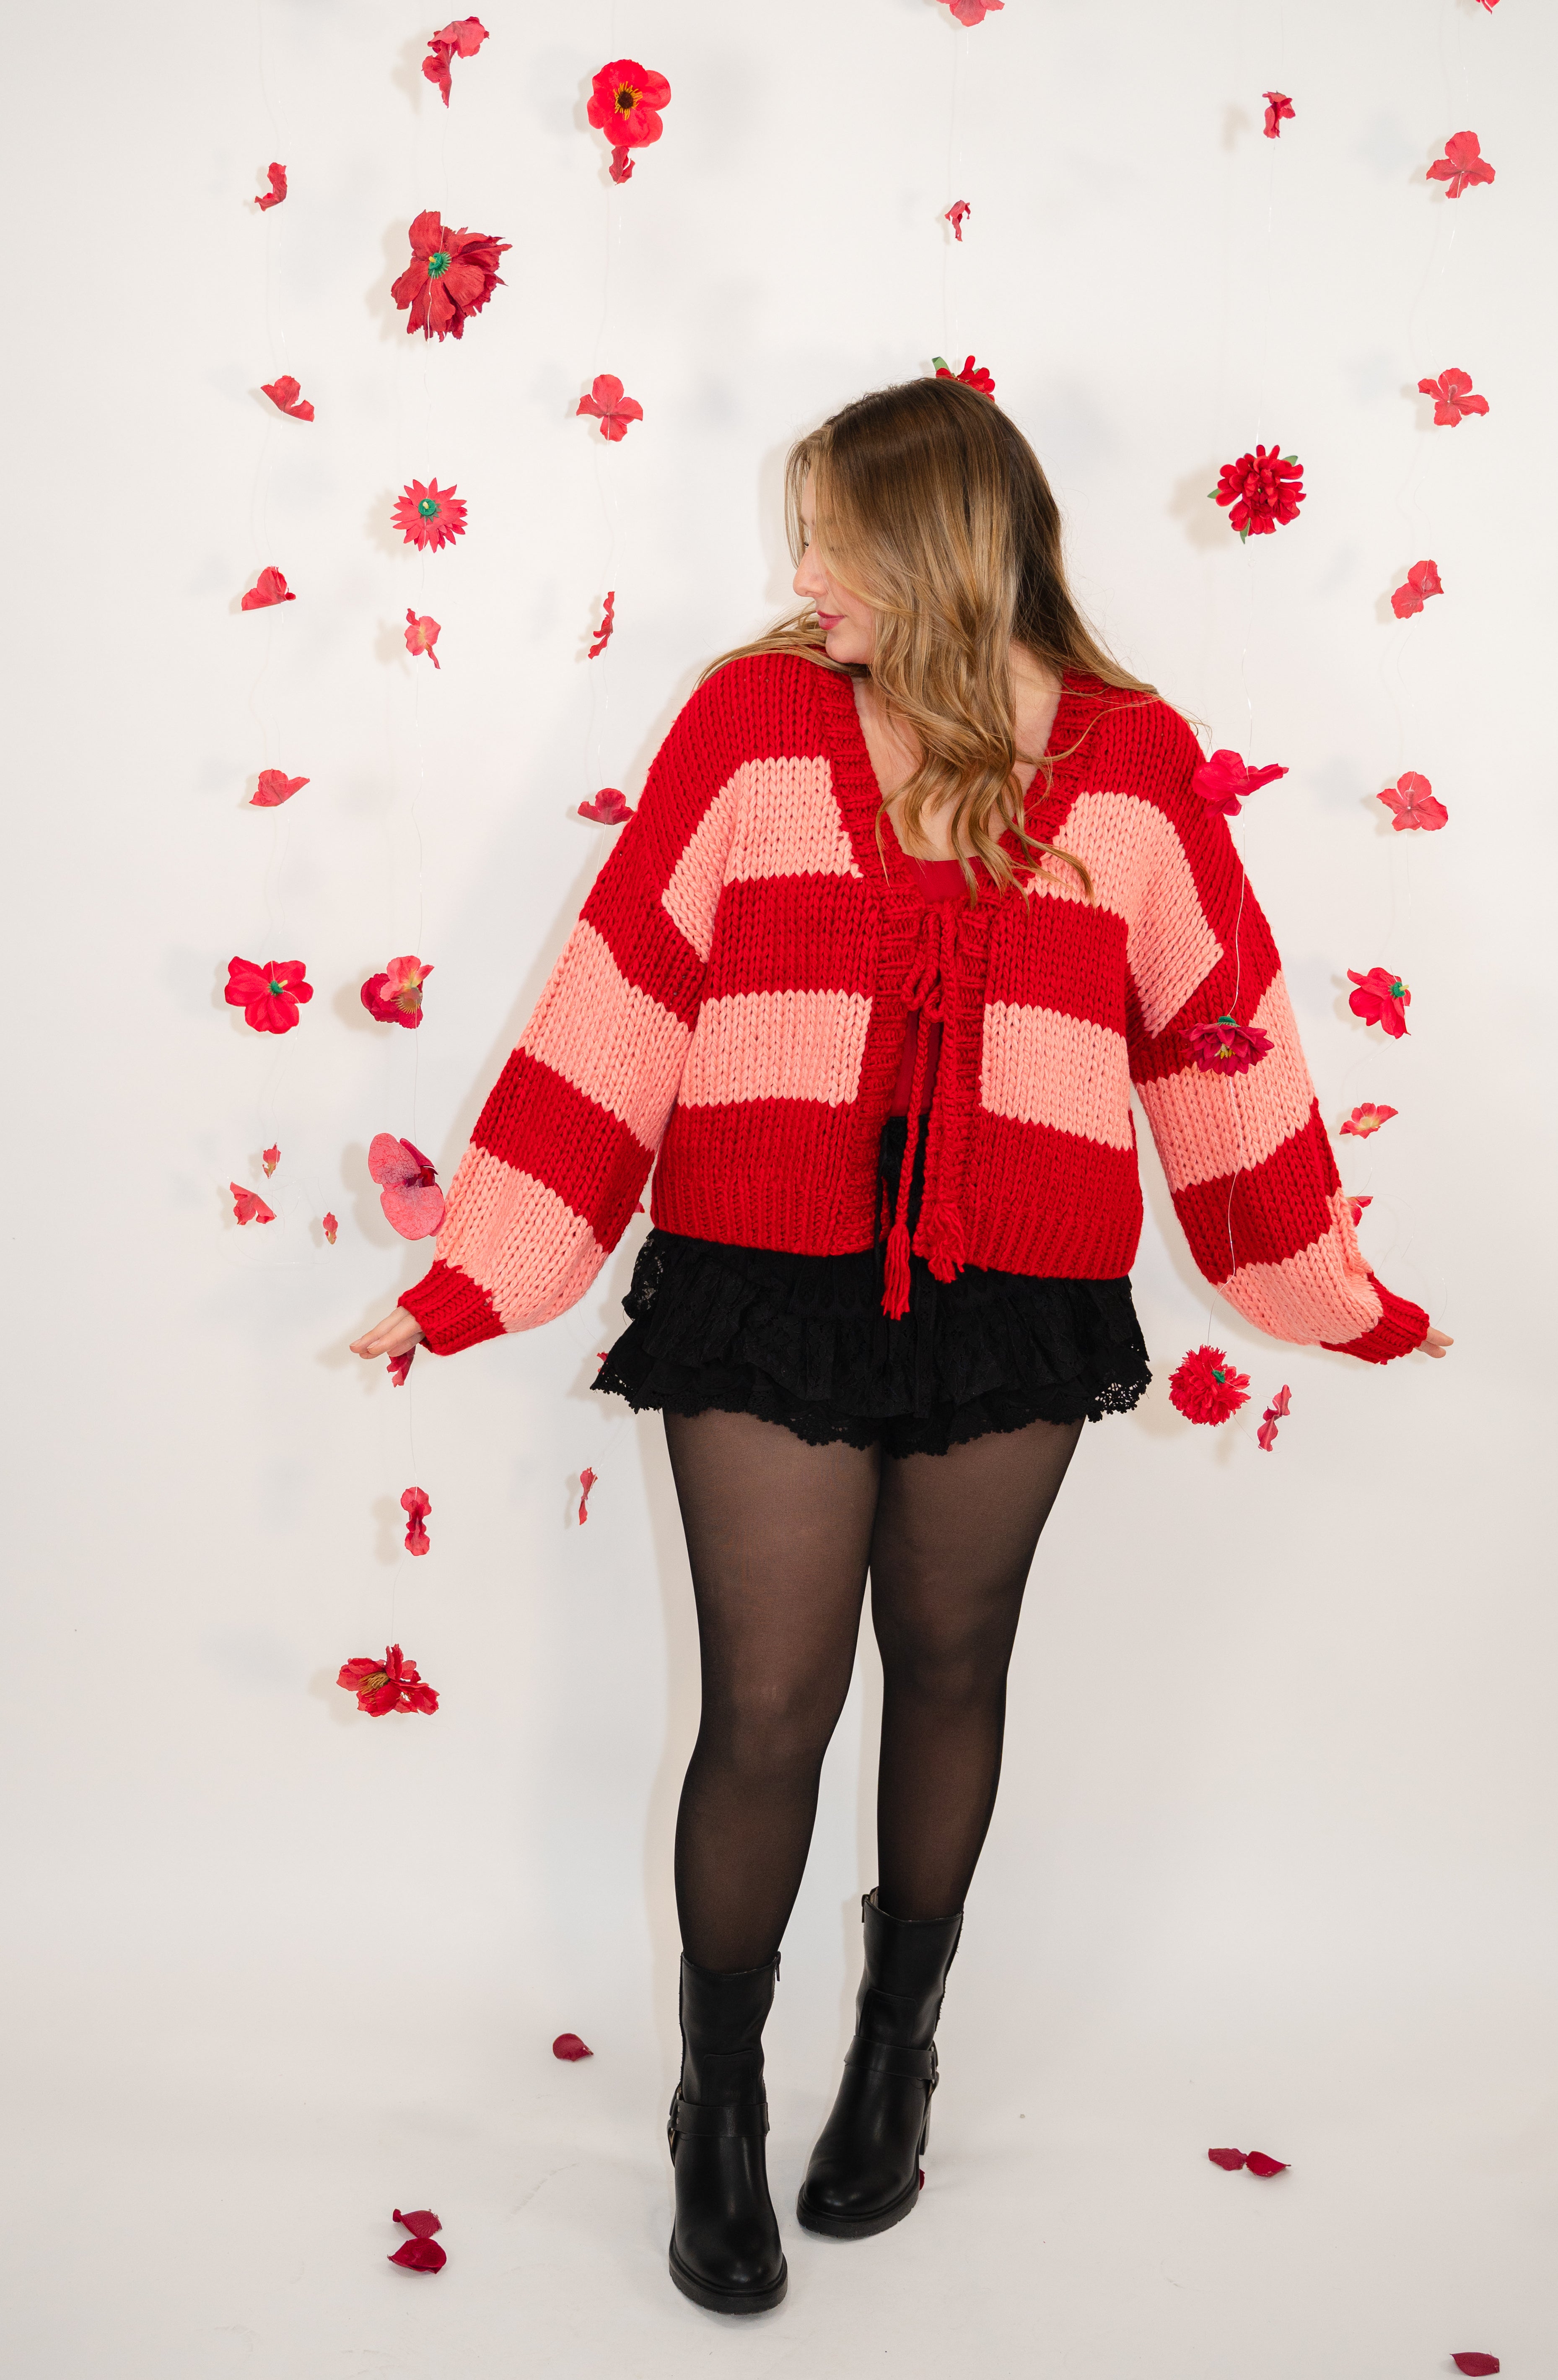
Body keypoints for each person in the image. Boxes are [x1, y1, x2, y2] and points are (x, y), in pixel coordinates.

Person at [352, 376, 1449, 2315]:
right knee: (769, 1704)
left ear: (940, 546)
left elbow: (1217, 1026)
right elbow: (629, 982)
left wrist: (1324, 1285)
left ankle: (895, 2051)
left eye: (831, 538)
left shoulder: (1129, 758)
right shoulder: (752, 720)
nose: (802, 575)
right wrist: (484, 1268)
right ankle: (714, 2104)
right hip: (760, 1273)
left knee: (951, 1668)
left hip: (1016, 1284)